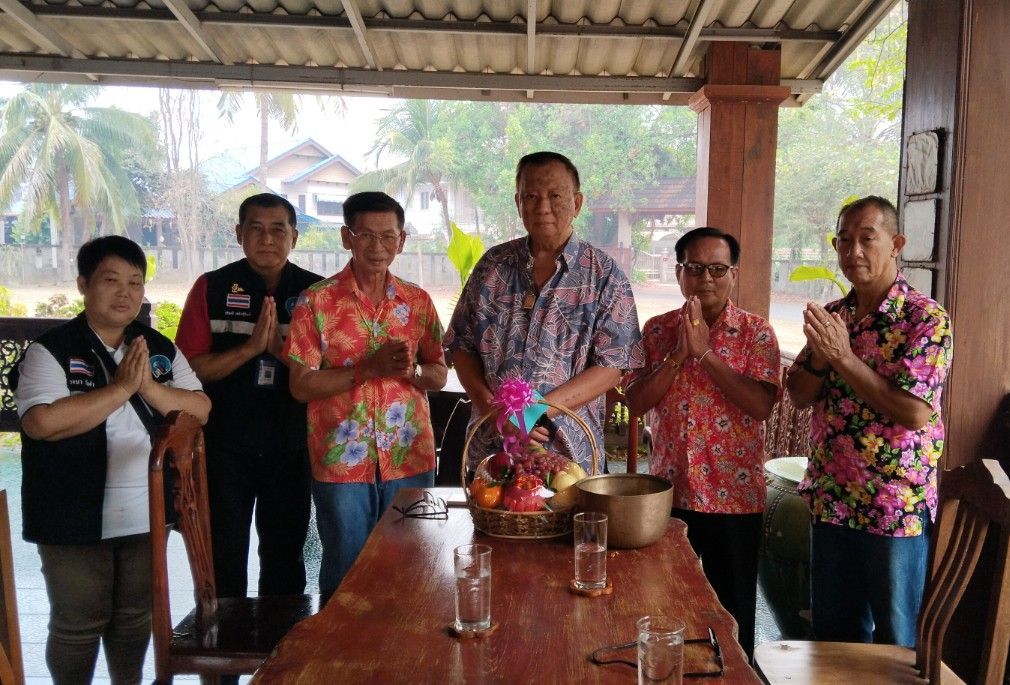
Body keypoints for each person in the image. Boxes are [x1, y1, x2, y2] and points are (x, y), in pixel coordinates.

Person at [15, 235, 210, 685]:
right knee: (78, 623)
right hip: (70, 513)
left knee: (134, 619)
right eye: (111, 280)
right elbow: (42, 423)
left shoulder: (158, 348)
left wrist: (148, 388)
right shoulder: (52, 350)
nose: (125, 293)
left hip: (146, 511)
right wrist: (121, 388)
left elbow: (200, 409)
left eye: (135, 282)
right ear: (83, 284)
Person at [787, 195, 953, 646]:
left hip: (892, 508)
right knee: (834, 641)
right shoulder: (835, 315)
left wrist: (843, 358)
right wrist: (821, 358)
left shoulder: (925, 319)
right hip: (833, 499)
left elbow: (914, 412)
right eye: (844, 241)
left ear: (896, 244)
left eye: (867, 238)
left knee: (896, 643)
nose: (853, 251)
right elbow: (799, 394)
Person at [624, 226, 780, 658]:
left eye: (717, 269)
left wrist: (706, 354)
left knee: (732, 614)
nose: (706, 278)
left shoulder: (756, 333)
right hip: (669, 496)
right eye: (694, 268)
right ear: (678, 273)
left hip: (734, 501)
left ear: (734, 274)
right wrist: (679, 354)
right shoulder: (657, 331)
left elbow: (761, 406)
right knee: (667, 606)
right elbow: (636, 402)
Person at [285, 191, 448, 601]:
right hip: (342, 462)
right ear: (347, 237)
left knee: (410, 569)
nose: (378, 247)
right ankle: (341, 645)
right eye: (366, 235)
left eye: (388, 236)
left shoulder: (418, 302)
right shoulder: (316, 301)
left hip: (408, 458)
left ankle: (404, 644)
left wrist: (412, 373)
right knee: (346, 574)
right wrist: (367, 369)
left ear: (402, 240)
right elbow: (300, 385)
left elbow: (439, 373)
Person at [444, 151, 643, 472]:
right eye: (531, 197)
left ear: (577, 203)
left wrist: (532, 412)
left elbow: (614, 366)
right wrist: (495, 410)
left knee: (571, 506)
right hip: (491, 453)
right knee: (489, 506)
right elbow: (461, 347)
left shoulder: (605, 275)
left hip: (569, 456)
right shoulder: (492, 266)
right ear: (518, 202)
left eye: (555, 196)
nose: (542, 207)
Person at [175, 193, 322, 600]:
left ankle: (281, 640)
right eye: (256, 229)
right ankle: (224, 642)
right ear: (239, 234)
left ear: (294, 236)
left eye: (278, 229)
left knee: (285, 557)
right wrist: (249, 349)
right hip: (224, 446)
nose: (267, 239)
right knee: (224, 555)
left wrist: (278, 350)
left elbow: (326, 374)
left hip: (291, 444)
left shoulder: (316, 293)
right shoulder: (211, 287)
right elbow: (188, 369)